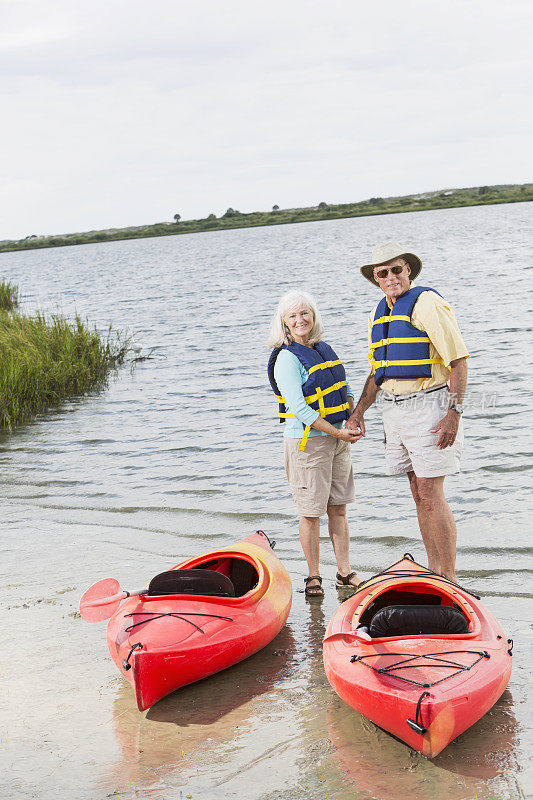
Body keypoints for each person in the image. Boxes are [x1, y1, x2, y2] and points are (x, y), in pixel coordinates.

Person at [347, 242, 469, 583]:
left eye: (396, 269)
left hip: (430, 406)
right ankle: (435, 572)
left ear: (408, 270)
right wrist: (358, 414)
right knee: (418, 494)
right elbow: (379, 371)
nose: (391, 277)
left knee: (431, 493)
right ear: (375, 277)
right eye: (383, 272)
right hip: (395, 411)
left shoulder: (427, 303)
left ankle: (451, 579)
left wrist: (453, 414)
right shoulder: (377, 314)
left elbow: (458, 361)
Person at [267, 290, 362, 597]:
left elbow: (345, 388)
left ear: (314, 316)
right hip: (308, 444)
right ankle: (312, 576)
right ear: (284, 322)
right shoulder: (286, 358)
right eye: (293, 315)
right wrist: (338, 434)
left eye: (305, 313)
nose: (300, 320)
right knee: (310, 512)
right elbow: (301, 410)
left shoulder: (325, 349)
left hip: (338, 438)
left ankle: (345, 572)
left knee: (339, 508)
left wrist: (351, 418)